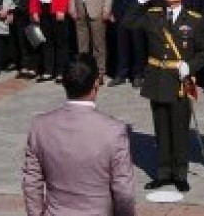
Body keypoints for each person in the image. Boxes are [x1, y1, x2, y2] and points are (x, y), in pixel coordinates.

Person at [124, 0, 204, 192]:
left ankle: (180, 173)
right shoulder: (153, 15)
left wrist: (189, 66)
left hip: (179, 79)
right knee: (161, 127)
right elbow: (128, 21)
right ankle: (163, 172)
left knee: (179, 128)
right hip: (157, 78)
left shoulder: (194, 20)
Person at [22, 59, 135, 216]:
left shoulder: (40, 126)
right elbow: (124, 191)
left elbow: (31, 183)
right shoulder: (113, 131)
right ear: (96, 84)